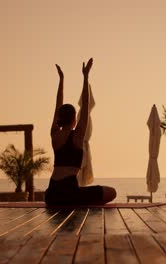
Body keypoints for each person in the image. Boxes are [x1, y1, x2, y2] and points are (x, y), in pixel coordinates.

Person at [45, 58, 117, 205]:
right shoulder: (77, 136)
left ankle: (79, 200)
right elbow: (85, 104)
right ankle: (81, 202)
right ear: (74, 120)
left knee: (84, 194)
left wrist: (61, 80)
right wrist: (85, 77)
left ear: (59, 117)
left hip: (51, 194)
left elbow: (57, 104)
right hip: (69, 193)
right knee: (112, 192)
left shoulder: (54, 134)